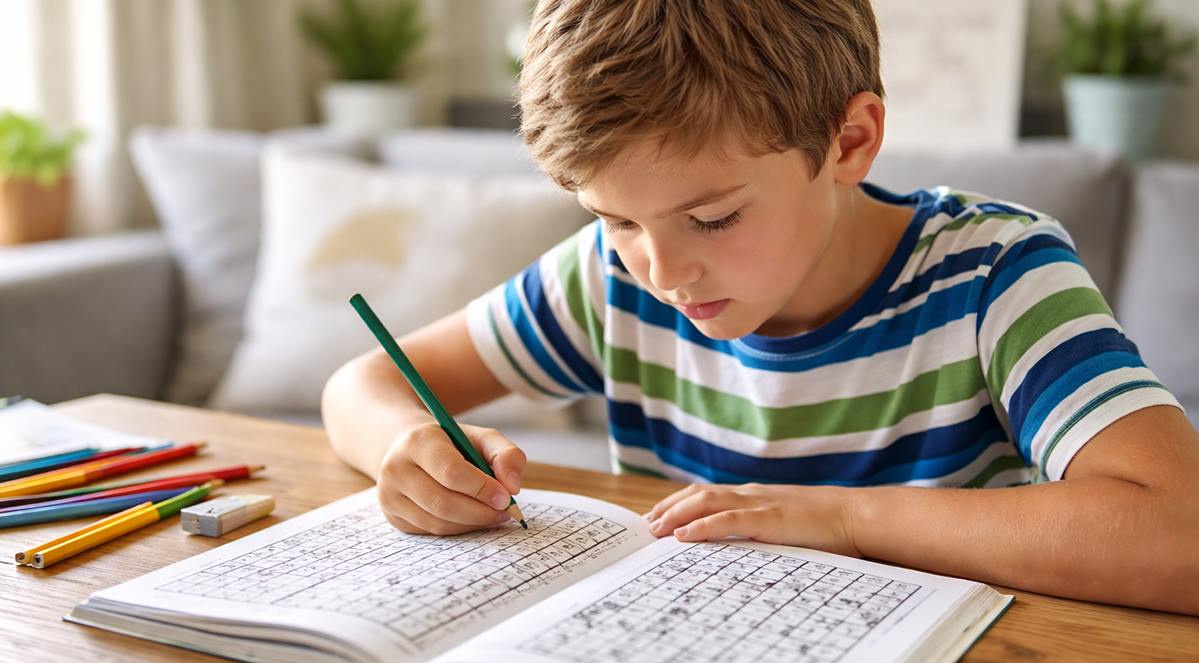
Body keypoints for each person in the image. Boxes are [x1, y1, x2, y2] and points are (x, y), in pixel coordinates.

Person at [322, 0, 1199, 615]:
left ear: (848, 141)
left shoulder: (994, 275)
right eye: (615, 217)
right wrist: (407, 449)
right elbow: (361, 384)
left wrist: (848, 519)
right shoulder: (609, 277)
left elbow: (1177, 532)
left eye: (712, 217)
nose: (662, 270)